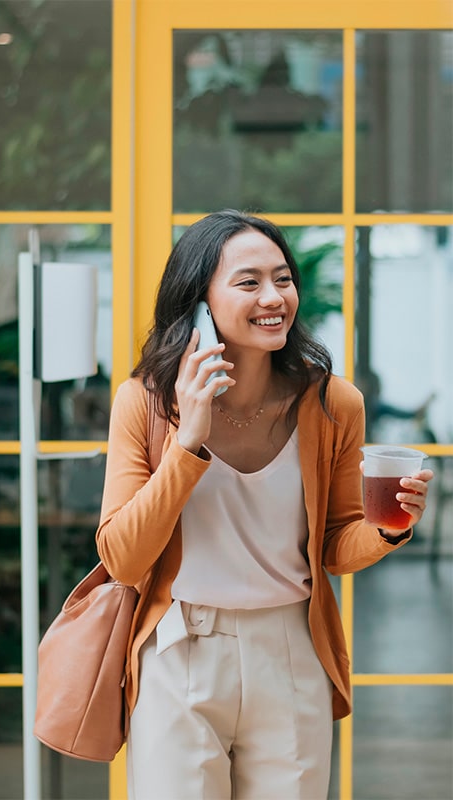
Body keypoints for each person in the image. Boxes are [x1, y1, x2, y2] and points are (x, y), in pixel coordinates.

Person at [96, 210, 433, 800]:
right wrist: (188, 439)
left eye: (283, 278)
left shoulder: (333, 404)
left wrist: (388, 527)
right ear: (198, 302)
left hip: (291, 649)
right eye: (248, 282)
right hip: (180, 650)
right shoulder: (145, 404)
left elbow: (335, 545)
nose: (274, 297)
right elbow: (122, 560)